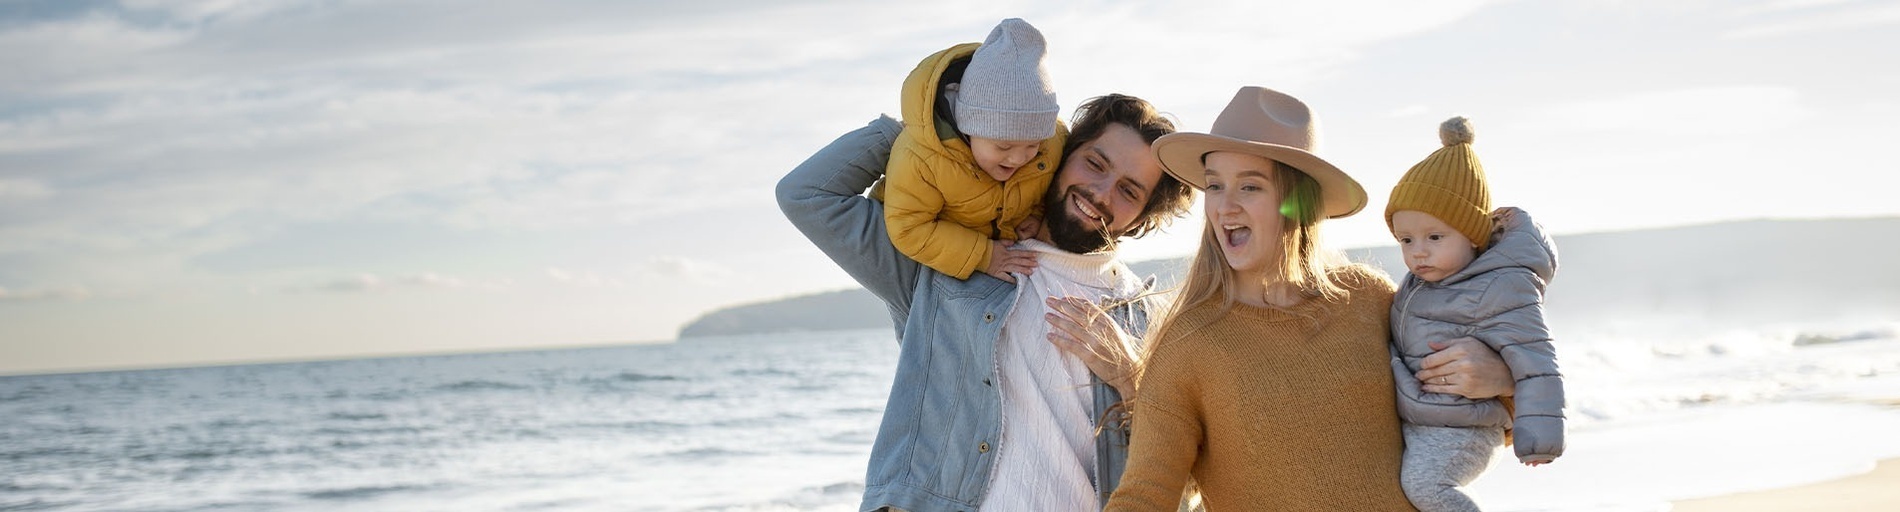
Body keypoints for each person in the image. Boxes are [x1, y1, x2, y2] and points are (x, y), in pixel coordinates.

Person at [779, 93, 1195, 511]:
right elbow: (808, 194)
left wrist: (1130, 378)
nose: (1101, 193)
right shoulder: (952, 261)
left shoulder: (1148, 320)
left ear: (1141, 217)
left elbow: (1188, 488)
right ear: (1060, 154)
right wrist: (928, 125)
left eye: (1128, 190)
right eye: (1095, 163)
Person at [1103, 86, 1427, 510]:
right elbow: (1144, 496)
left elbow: (1466, 414)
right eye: (1215, 186)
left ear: (1297, 202)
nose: (1225, 207)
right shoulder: (1189, 343)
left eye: (1250, 187)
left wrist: (1492, 376)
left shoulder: (1368, 299)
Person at [1385, 117, 1564, 512]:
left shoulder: (1502, 285)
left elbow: (1536, 361)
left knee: (1427, 487)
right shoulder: (1420, 285)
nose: (1418, 251)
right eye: (1406, 239)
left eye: (1434, 237)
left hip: (1466, 427)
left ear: (1472, 235)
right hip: (1430, 420)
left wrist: (1537, 437)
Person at [873, 18, 1066, 283]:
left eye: (1033, 145)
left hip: (1009, 252)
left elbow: (1053, 186)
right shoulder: (922, 158)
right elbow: (908, 227)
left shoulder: (1054, 144)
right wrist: (984, 256)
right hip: (930, 260)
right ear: (968, 126)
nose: (1019, 158)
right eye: (1004, 146)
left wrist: (1035, 216)